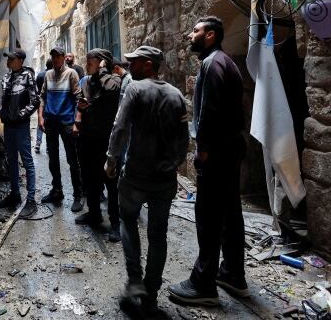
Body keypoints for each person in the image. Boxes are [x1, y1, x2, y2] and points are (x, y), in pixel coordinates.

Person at [169, 17, 248, 306]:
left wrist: (202, 150)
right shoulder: (224, 61)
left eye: (196, 31)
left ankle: (203, 283)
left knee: (209, 216)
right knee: (229, 213)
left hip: (217, 150)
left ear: (211, 35)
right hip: (229, 147)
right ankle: (232, 274)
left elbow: (210, 110)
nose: (191, 35)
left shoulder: (213, 63)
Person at [104, 45, 189, 315]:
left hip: (137, 175)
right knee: (158, 234)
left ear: (149, 64)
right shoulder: (176, 95)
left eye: (135, 62)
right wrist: (173, 164)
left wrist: (111, 158)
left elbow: (120, 127)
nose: (130, 65)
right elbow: (184, 140)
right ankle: (151, 291)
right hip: (164, 178)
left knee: (129, 222)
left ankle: (135, 281)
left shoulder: (135, 89)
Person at [74, 49, 122, 242]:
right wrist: (81, 110)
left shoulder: (113, 79)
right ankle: (94, 214)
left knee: (110, 182)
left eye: (91, 62)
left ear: (102, 63)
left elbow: (111, 91)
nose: (87, 65)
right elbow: (83, 101)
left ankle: (115, 224)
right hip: (89, 137)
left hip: (106, 139)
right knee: (91, 179)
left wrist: (102, 72)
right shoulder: (88, 81)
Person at [38, 46, 84, 212]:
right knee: (53, 158)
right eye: (54, 57)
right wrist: (40, 117)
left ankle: (78, 195)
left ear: (64, 57)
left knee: (72, 159)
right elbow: (42, 96)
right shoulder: (48, 74)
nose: (56, 59)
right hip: (51, 121)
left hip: (66, 122)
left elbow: (79, 98)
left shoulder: (71, 73)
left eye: (58, 56)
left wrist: (76, 122)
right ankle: (57, 191)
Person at [0, 48, 39, 217]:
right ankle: (15, 194)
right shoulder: (6, 77)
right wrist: (4, 113)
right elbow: (5, 100)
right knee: (11, 160)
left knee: (27, 160)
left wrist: (20, 115)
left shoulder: (28, 76)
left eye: (12, 58)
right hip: (9, 125)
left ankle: (31, 200)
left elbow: (35, 100)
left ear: (20, 60)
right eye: (8, 58)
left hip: (21, 125)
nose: (8, 61)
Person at [34, 59, 53, 153]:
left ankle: (38, 143)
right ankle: (48, 147)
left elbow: (37, 88)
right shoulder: (53, 74)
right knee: (49, 123)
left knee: (40, 122)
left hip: (41, 102)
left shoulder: (40, 75)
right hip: (51, 102)